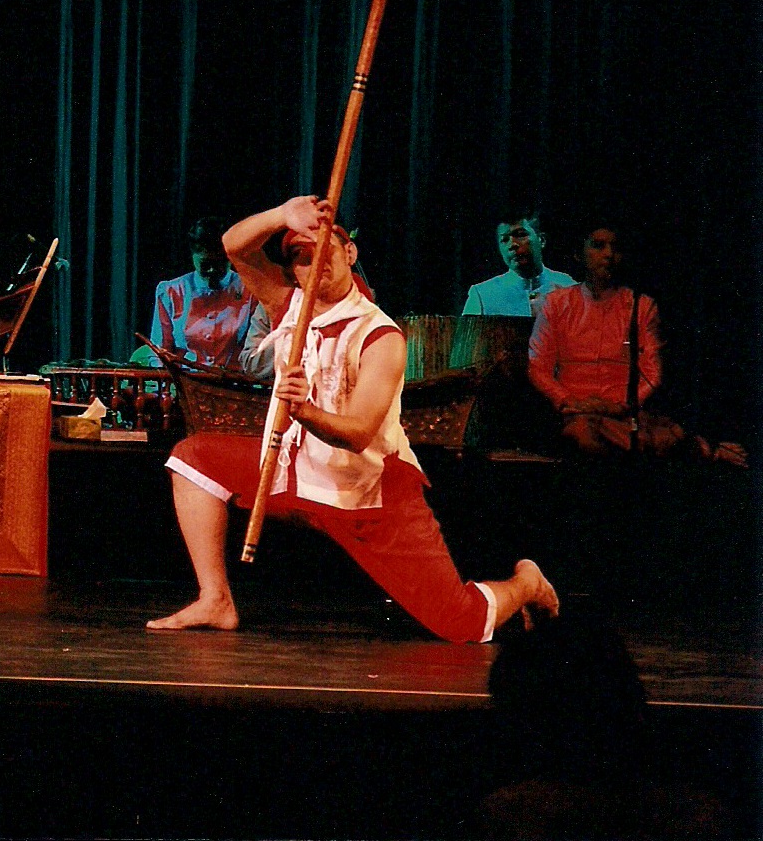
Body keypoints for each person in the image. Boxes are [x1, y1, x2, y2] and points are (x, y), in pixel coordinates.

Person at [145, 195, 559, 641]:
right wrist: (283, 215)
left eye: (326, 248)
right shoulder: (287, 305)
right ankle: (216, 599)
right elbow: (234, 246)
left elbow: (360, 433)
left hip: (368, 490)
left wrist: (303, 410)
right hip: (297, 473)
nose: (315, 262)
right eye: (302, 257)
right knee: (192, 458)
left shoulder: (380, 336)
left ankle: (526, 583)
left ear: (349, 252)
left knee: (461, 624)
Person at [528, 226, 744, 466]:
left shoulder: (641, 306)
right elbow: (538, 366)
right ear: (579, 254)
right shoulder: (556, 304)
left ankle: (665, 441)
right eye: (598, 246)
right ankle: (689, 446)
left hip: (623, 413)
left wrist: (618, 405)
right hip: (573, 413)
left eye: (615, 248)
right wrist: (567, 400)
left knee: (609, 432)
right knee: (581, 433)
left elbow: (652, 373)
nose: (609, 254)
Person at [144, 217, 262, 371]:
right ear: (193, 256)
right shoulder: (170, 292)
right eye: (205, 264)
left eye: (219, 264)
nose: (212, 270)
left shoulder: (250, 290)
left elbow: (257, 346)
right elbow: (159, 350)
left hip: (234, 380)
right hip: (184, 380)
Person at [462, 214, 576, 316]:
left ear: (541, 240)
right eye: (504, 240)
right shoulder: (482, 294)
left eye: (520, 235)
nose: (512, 244)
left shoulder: (568, 287)